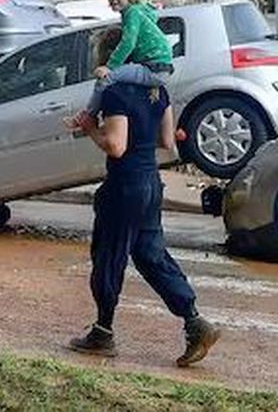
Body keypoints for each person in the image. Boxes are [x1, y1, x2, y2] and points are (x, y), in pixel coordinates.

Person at [67, 70, 221, 366]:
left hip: (124, 185)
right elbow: (166, 140)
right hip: (150, 183)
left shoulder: (116, 93)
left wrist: (90, 128)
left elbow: (116, 145)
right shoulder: (157, 89)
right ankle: (194, 321)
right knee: (151, 255)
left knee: (109, 256)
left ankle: (102, 332)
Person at [83, 0, 175, 115]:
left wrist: (109, 66)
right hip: (162, 67)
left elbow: (128, 43)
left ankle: (88, 115)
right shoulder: (141, 12)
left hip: (153, 67)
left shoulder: (132, 13)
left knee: (105, 78)